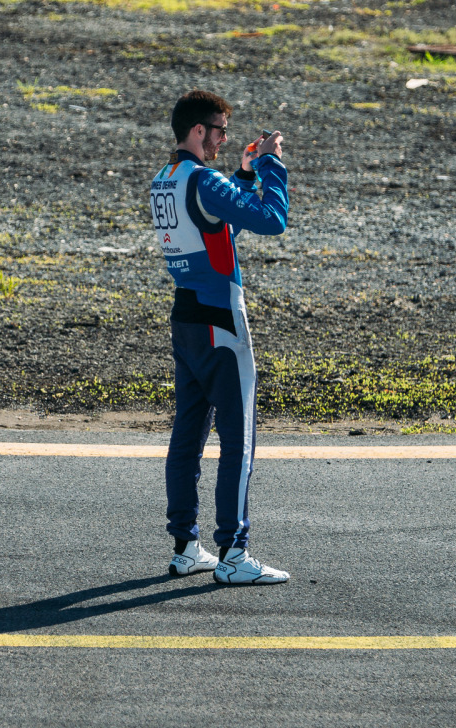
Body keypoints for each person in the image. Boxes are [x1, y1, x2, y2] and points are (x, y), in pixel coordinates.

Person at [150, 89, 290, 585]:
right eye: (219, 131)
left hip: (185, 319)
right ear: (197, 131)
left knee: (187, 437)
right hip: (221, 325)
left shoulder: (165, 180)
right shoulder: (203, 180)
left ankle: (187, 547)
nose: (224, 140)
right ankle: (234, 553)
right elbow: (272, 221)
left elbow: (215, 224)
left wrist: (246, 174)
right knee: (239, 441)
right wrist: (272, 166)